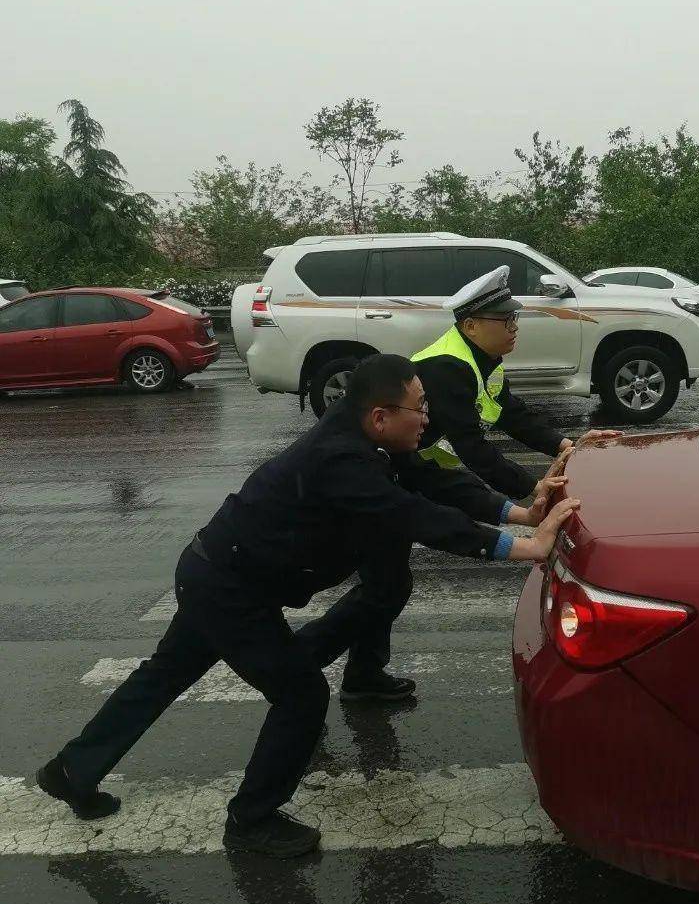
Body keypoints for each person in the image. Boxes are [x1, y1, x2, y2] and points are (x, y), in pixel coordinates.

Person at [36, 354, 578, 859]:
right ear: (380, 415)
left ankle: (72, 771)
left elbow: (433, 482)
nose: (426, 419)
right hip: (228, 588)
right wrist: (521, 549)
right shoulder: (338, 459)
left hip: (221, 575)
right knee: (301, 694)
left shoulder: (370, 440)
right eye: (420, 410)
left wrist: (521, 513)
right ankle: (251, 821)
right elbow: (409, 514)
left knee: (164, 676)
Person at [412, 266, 619, 503]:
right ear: (470, 326)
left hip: (423, 469)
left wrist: (569, 447)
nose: (514, 327)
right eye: (505, 320)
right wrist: (534, 486)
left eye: (514, 318)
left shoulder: (483, 360)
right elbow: (471, 448)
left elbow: (513, 415)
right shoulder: (445, 367)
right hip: (392, 468)